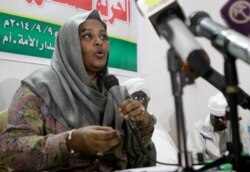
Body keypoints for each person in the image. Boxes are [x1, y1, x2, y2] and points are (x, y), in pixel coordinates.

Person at [0, 10, 156, 171]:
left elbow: (134, 156)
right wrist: (70, 142)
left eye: (103, 36)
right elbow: (10, 150)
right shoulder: (39, 88)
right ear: (69, 44)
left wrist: (143, 122)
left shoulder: (116, 93)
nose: (99, 42)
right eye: (87, 36)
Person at [122, 78, 178, 165]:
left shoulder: (159, 133)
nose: (141, 102)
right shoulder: (121, 129)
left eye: (144, 98)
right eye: (136, 97)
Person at [187, 92, 248, 163]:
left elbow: (244, 154)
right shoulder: (197, 129)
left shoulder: (237, 128)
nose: (223, 122)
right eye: (218, 118)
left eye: (225, 119)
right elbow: (195, 160)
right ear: (211, 115)